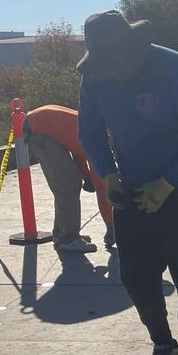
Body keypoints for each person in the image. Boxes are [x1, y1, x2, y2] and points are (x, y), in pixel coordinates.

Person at [77, 11, 178, 355]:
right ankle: (163, 344)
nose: (117, 76)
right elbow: (88, 130)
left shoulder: (175, 69)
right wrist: (107, 173)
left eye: (120, 67)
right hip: (134, 188)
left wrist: (170, 182)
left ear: (135, 48)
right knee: (136, 277)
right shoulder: (95, 79)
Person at [24, 104, 114, 253]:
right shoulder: (98, 140)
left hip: (40, 124)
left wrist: (87, 177)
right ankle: (69, 238)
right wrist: (111, 226)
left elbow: (78, 154)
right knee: (68, 185)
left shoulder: (94, 128)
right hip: (41, 130)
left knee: (68, 183)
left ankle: (62, 234)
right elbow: (102, 188)